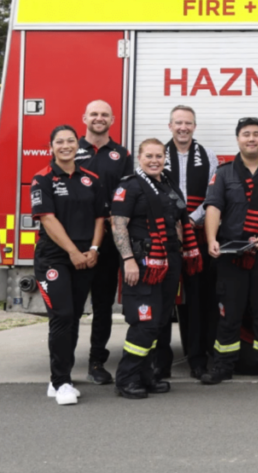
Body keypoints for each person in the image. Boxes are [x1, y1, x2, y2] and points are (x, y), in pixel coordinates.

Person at [110, 139, 203, 399]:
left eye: (159, 156)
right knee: (145, 322)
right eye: (149, 155)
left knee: (160, 321)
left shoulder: (167, 182)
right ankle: (126, 379)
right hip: (142, 263)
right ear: (139, 157)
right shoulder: (130, 185)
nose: (154, 160)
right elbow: (118, 225)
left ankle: (146, 375)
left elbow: (176, 220)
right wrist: (128, 259)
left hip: (168, 262)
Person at [201, 118, 258, 385]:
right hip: (231, 254)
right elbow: (214, 207)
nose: (251, 139)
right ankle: (222, 365)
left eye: (256, 134)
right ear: (238, 139)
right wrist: (211, 240)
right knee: (229, 311)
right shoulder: (224, 172)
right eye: (246, 134)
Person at [32, 125, 106, 405]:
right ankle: (61, 382)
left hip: (86, 257)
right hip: (54, 258)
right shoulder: (42, 179)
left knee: (74, 316)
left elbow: (101, 217)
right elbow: (48, 219)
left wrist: (94, 249)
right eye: (60, 142)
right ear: (51, 146)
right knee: (62, 315)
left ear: (78, 145)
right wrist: (74, 252)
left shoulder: (91, 179)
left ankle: (59, 379)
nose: (66, 146)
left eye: (71, 141)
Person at [159, 105, 220, 380]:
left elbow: (213, 195)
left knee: (198, 299)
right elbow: (149, 192)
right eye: (178, 123)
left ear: (194, 126)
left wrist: (189, 219)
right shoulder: (157, 154)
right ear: (170, 126)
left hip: (196, 234)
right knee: (163, 299)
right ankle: (160, 362)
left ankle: (197, 359)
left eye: (188, 123)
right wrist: (174, 222)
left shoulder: (208, 156)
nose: (183, 127)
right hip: (164, 237)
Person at [74, 100, 133, 386]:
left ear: (112, 120)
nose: (99, 118)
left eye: (104, 115)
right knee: (70, 306)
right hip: (74, 240)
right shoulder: (71, 150)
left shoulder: (121, 155)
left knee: (103, 305)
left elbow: (128, 193)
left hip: (108, 243)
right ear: (84, 118)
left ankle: (97, 362)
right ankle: (62, 363)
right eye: (94, 114)